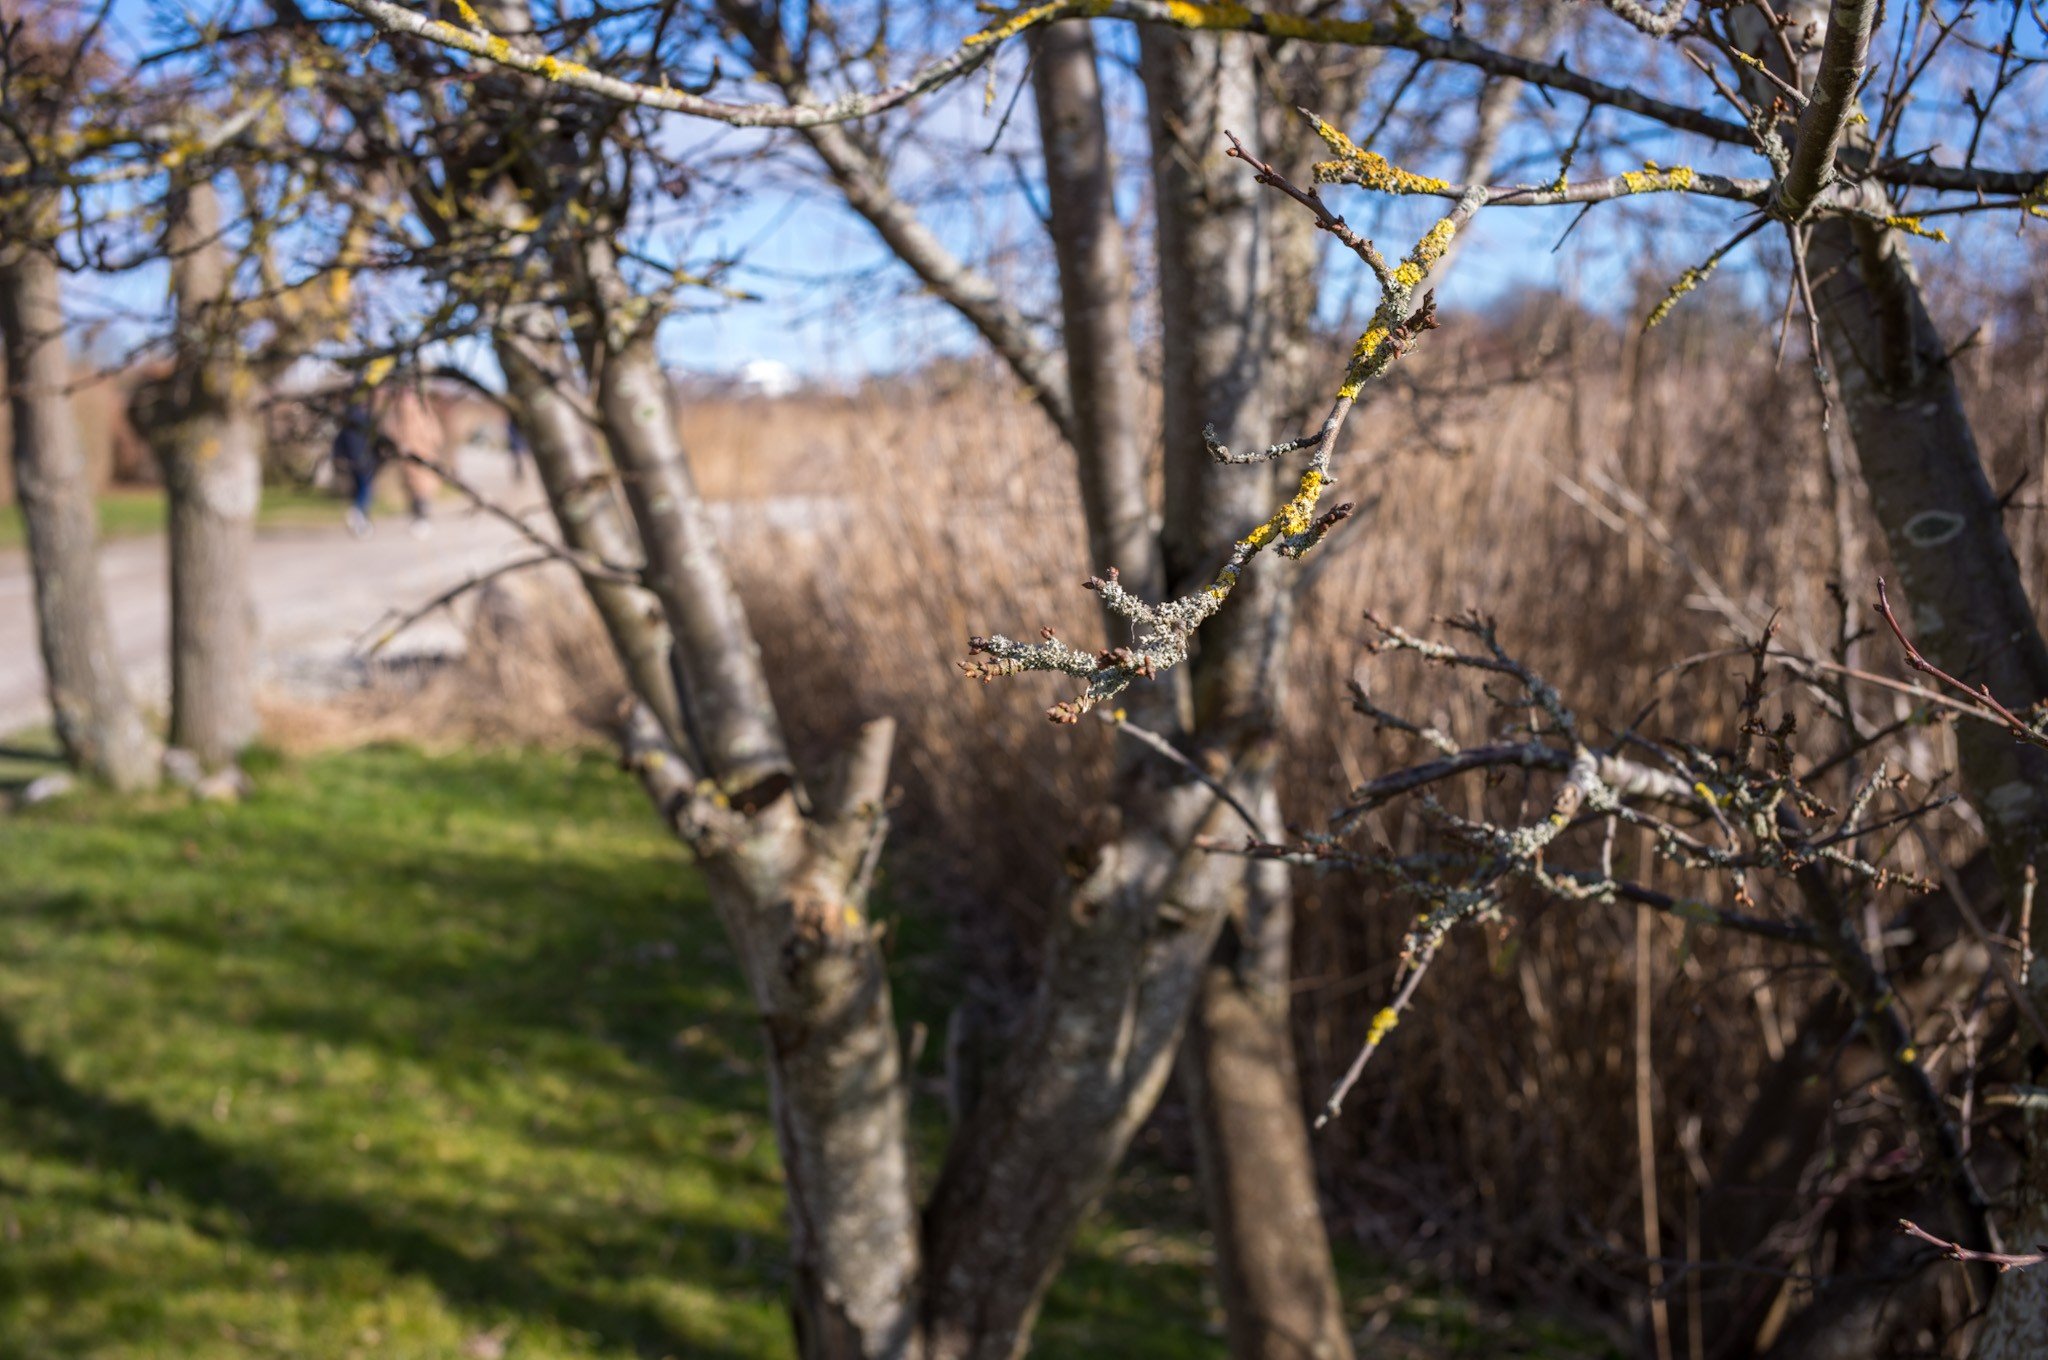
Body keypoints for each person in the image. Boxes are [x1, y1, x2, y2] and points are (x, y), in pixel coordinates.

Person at [329, 402, 381, 538]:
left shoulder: (346, 423)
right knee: (365, 488)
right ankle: (358, 512)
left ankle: (361, 517)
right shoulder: (361, 420)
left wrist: (338, 456)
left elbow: (338, 443)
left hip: (354, 461)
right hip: (362, 461)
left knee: (359, 488)